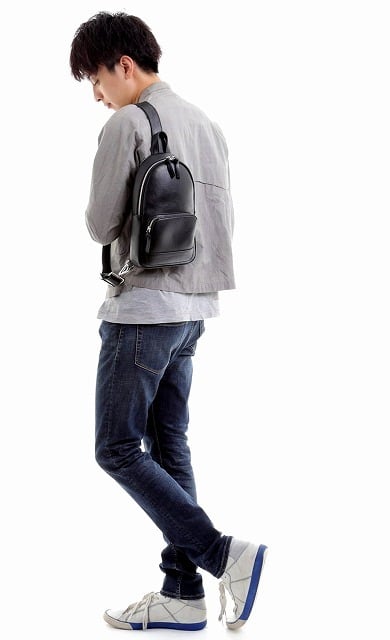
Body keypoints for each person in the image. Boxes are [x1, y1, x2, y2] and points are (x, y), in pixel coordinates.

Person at [69, 11, 267, 632]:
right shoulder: (208, 124)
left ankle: (222, 555)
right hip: (193, 310)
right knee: (168, 444)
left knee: (116, 448)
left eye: (96, 80)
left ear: (124, 66)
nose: (98, 97)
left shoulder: (128, 123)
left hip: (143, 310)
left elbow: (101, 224)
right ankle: (181, 592)